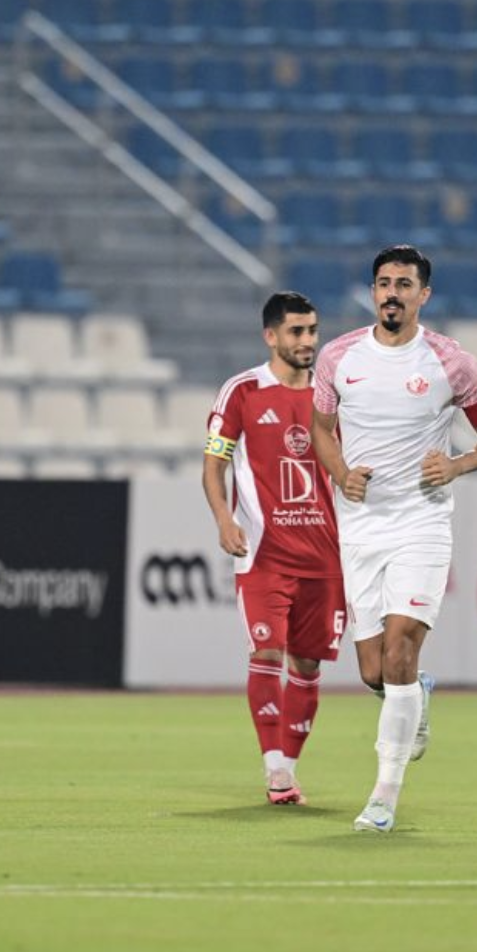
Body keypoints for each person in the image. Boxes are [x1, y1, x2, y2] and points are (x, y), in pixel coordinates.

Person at [311, 244, 477, 833]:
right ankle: (414, 694)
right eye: (382, 283)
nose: (391, 293)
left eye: (403, 284)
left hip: (421, 522)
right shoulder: (338, 357)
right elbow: (322, 429)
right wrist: (341, 472)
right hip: (361, 526)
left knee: (400, 647)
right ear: (372, 292)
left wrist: (458, 464)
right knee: (375, 672)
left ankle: (384, 795)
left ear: (424, 295)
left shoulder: (452, 363)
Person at [203, 291, 346, 806]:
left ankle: (288, 766)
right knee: (265, 650)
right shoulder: (241, 391)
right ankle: (275, 772)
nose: (307, 341)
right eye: (296, 332)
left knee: (307, 667)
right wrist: (224, 519)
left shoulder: (335, 397)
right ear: (271, 336)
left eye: (312, 331)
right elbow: (214, 465)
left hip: (326, 559)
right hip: (263, 555)